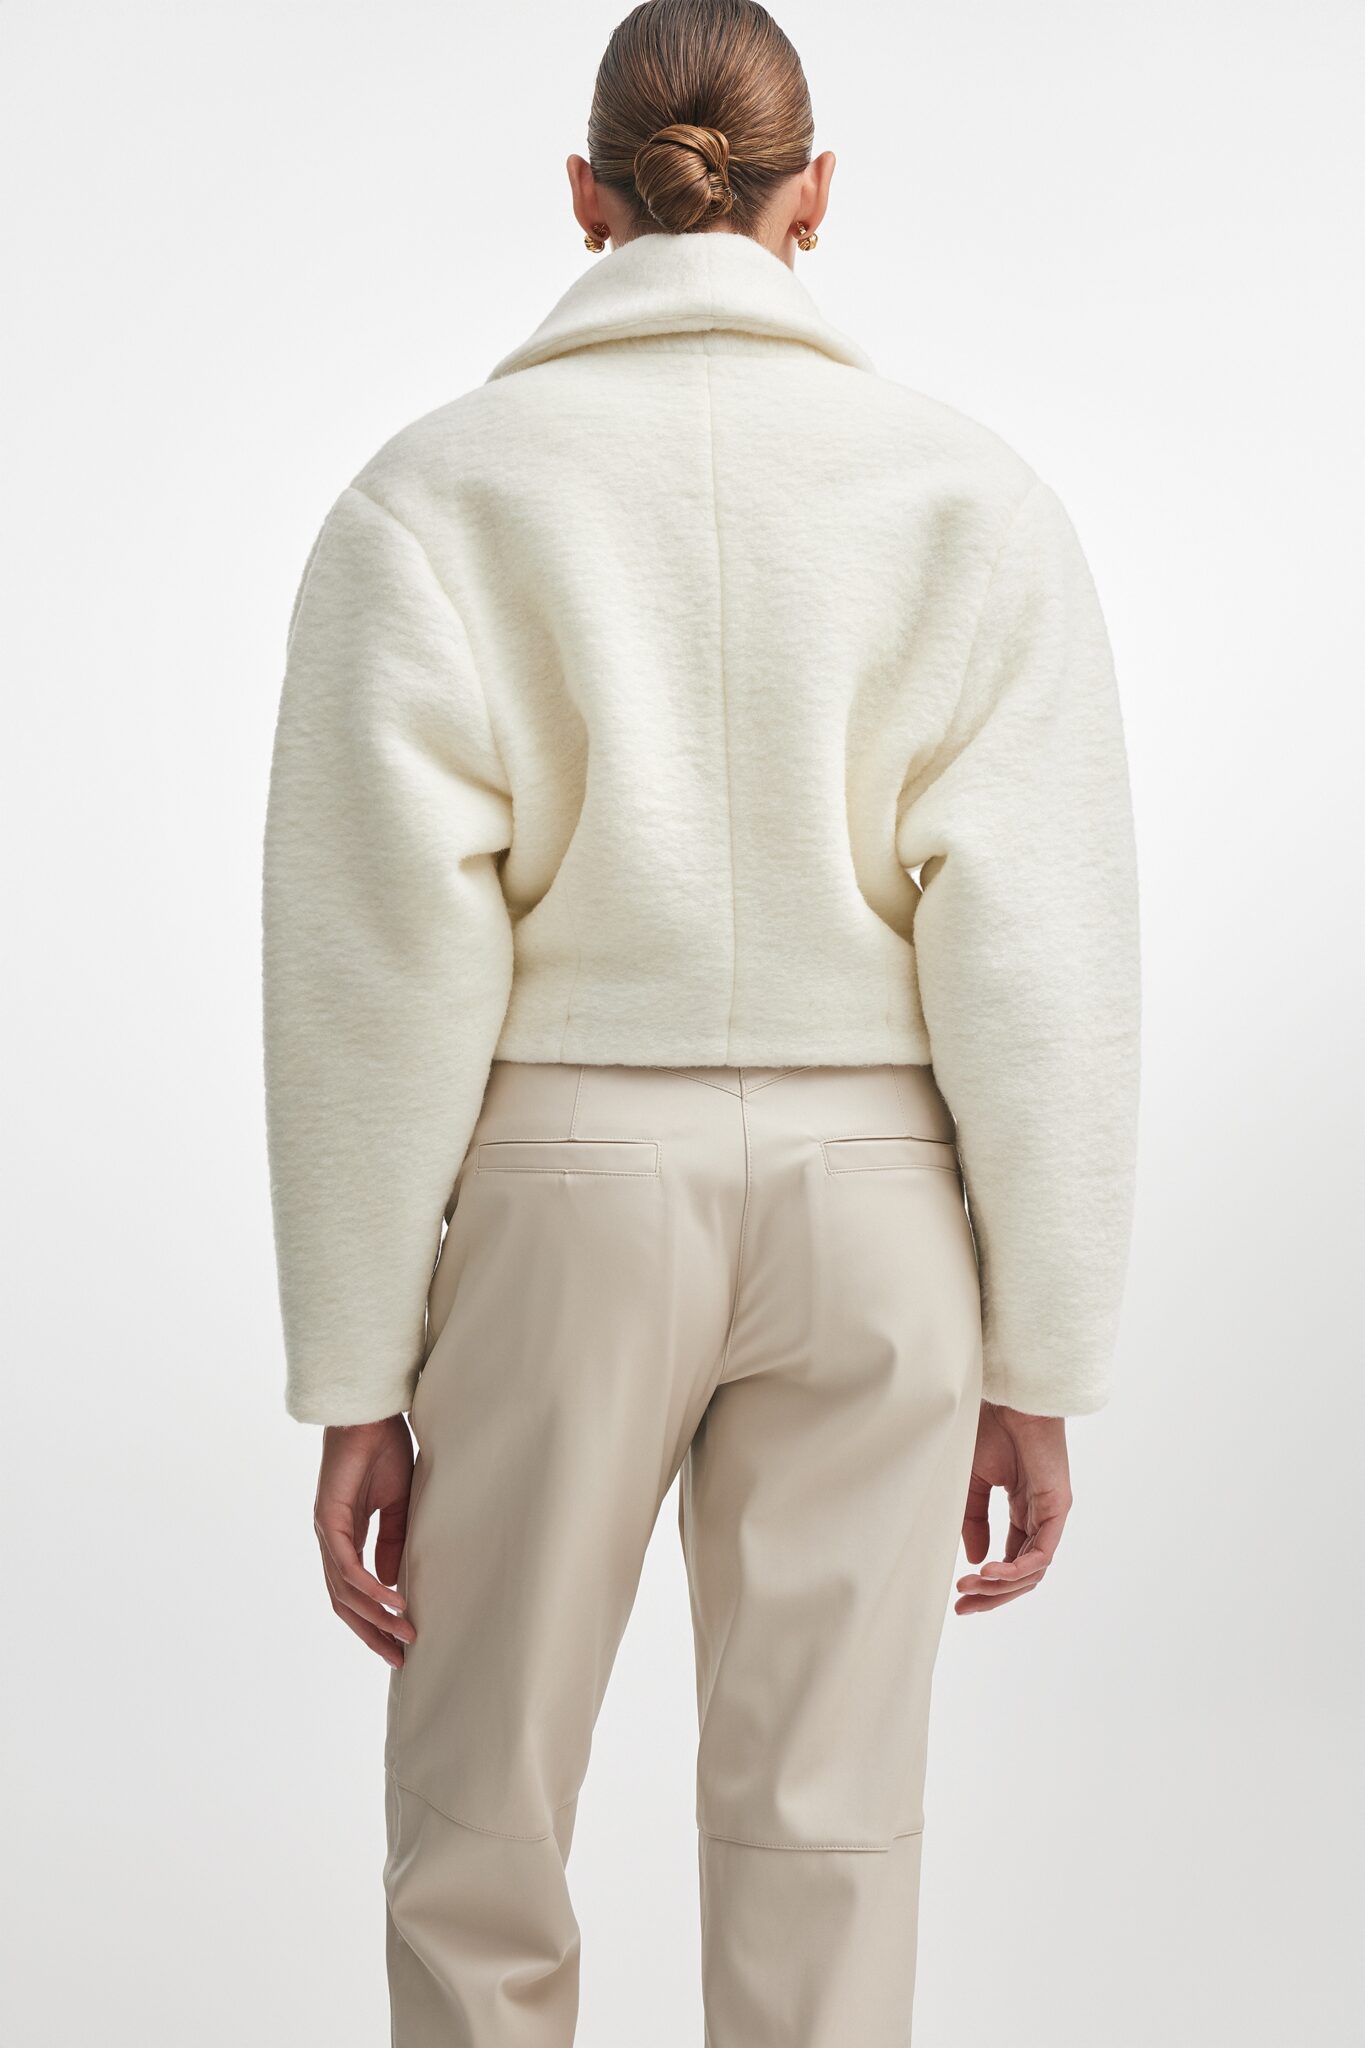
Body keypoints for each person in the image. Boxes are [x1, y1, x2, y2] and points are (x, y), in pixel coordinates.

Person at [262, 1, 1140, 2040]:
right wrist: (1038, 1350)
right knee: (826, 1832)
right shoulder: (965, 500)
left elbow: (375, 963)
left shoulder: (433, 498)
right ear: (813, 197)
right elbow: (1038, 958)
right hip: (878, 1209)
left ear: (584, 198)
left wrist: (358, 1366)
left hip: (563, 1194)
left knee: (477, 1819)